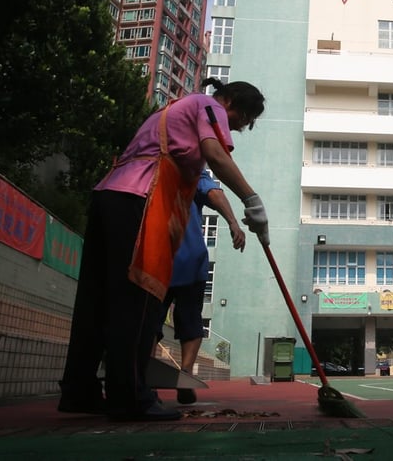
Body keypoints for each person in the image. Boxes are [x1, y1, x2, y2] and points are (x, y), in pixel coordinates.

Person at [58, 78, 268, 421]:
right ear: (230, 101)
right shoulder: (208, 105)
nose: (235, 129)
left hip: (110, 195)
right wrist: (252, 200)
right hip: (139, 199)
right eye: (240, 120)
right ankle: (131, 398)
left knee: (97, 300)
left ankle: (79, 391)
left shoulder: (172, 112)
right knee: (138, 298)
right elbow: (215, 154)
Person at [160, 169, 245, 405]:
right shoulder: (191, 168)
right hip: (187, 257)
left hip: (159, 258)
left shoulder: (154, 167)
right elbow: (214, 193)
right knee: (190, 319)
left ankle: (140, 373)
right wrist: (233, 222)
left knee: (149, 319)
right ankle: (186, 372)